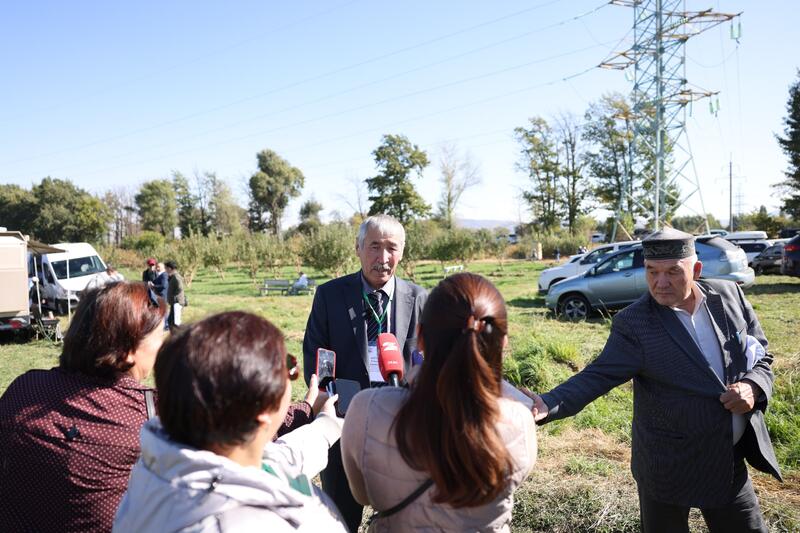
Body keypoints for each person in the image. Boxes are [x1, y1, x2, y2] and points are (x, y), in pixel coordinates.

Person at [527, 228, 781, 533]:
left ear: (696, 270)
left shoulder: (729, 296)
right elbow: (598, 374)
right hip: (666, 466)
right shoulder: (634, 323)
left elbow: (762, 356)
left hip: (727, 460)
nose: (661, 283)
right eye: (652, 271)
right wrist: (547, 403)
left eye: (673, 272)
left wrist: (753, 386)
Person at [113, 311, 347, 532]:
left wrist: (325, 427)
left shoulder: (163, 470)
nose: (292, 372)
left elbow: (276, 459)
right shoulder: (245, 525)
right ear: (262, 409)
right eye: (289, 369)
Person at [341, 273, 537, 530]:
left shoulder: (364, 410)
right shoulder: (520, 420)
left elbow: (362, 496)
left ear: (420, 337)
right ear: (503, 344)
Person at [0, 282, 167, 532]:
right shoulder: (149, 416)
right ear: (128, 351)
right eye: (160, 335)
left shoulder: (24, 387)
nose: (164, 344)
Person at [303, 213, 428, 531]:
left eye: (392, 248)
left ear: (402, 251)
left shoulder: (420, 298)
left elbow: (429, 362)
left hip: (403, 429)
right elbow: (318, 361)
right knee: (343, 516)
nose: (383, 258)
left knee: (401, 516)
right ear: (358, 248)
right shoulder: (330, 296)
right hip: (344, 427)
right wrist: (334, 407)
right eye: (374, 247)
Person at [164, 260, 186, 332]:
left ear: (170, 268)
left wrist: (175, 297)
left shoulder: (176, 277)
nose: (165, 270)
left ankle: (179, 338)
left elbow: (180, 288)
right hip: (174, 303)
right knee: (171, 322)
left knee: (175, 323)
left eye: (166, 268)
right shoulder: (172, 276)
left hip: (177, 303)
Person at [152, 262, 169, 330]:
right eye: (157, 266)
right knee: (162, 310)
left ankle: (166, 325)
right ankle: (165, 324)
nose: (157, 268)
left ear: (163, 267)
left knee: (163, 310)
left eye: (158, 267)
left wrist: (154, 286)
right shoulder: (160, 274)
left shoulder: (164, 275)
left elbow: (164, 286)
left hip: (162, 295)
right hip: (160, 295)